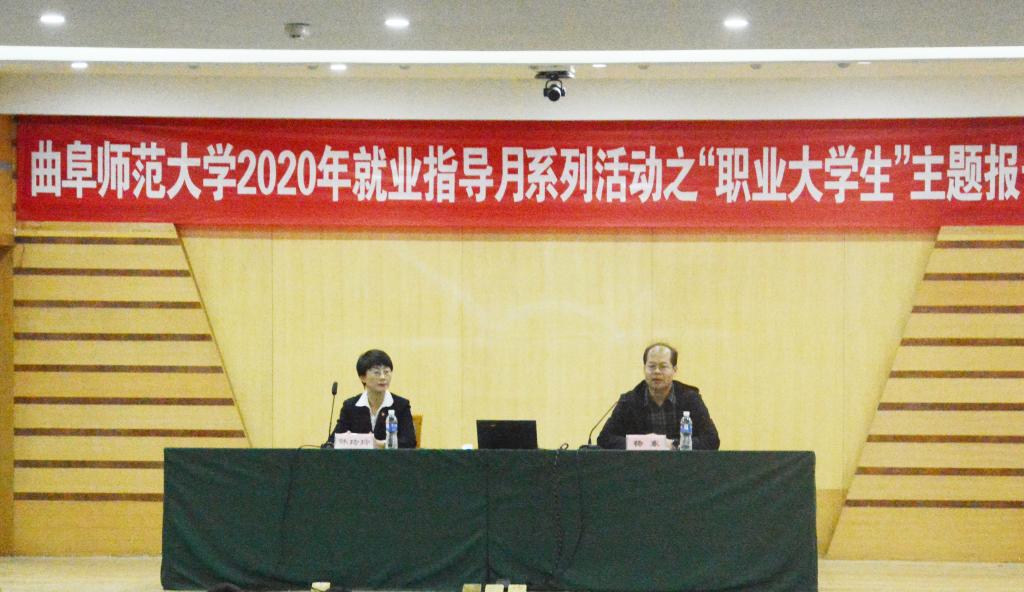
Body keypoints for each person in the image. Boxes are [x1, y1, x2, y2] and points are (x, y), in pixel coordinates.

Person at [597, 343, 720, 450]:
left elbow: (712, 440)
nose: (656, 371)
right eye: (651, 366)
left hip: (681, 466)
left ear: (674, 369)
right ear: (644, 368)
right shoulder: (629, 401)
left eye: (663, 366)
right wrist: (644, 443)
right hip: (640, 466)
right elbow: (605, 439)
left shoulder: (690, 399)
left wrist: (674, 445)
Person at [327, 349, 417, 448]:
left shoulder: (401, 405)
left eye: (386, 372)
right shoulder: (350, 406)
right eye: (376, 372)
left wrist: (380, 444)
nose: (383, 377)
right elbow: (332, 442)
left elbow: (410, 442)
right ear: (363, 377)